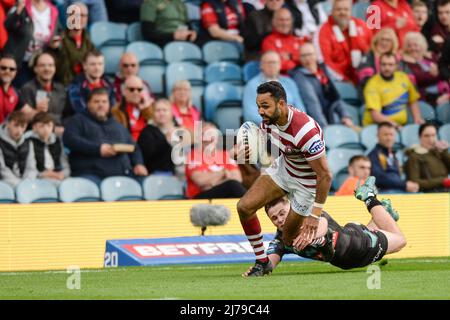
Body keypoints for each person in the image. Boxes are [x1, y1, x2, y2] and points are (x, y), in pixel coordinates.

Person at [236, 81, 332, 276]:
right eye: (258, 106)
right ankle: (262, 262)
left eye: (265, 106)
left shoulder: (306, 132)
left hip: (306, 186)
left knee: (288, 239)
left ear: (281, 104)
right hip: (285, 170)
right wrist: (244, 152)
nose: (260, 112)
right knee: (244, 207)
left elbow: (325, 175)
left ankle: (327, 238)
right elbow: (262, 148)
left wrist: (315, 215)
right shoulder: (269, 121)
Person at [246, 176, 406, 276]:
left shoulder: (309, 217)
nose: (279, 219)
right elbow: (269, 263)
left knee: (400, 241)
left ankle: (369, 197)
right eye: (274, 218)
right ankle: (384, 212)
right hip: (348, 254)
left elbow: (322, 225)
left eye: (282, 213)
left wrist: (309, 236)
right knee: (385, 232)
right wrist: (260, 269)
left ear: (292, 206)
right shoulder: (281, 241)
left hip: (360, 246)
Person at [63, 88, 148, 185]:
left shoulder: (117, 125)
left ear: (109, 105)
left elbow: (134, 148)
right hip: (90, 175)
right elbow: (70, 140)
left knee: (147, 184)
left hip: (123, 174)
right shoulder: (78, 121)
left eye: (104, 102)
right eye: (96, 101)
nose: (101, 105)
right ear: (88, 104)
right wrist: (98, 149)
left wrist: (138, 164)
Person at [289, 42, 354, 129]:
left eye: (310, 54)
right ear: (300, 58)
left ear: (316, 55)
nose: (307, 58)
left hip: (332, 118)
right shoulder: (299, 76)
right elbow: (312, 104)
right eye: (303, 56)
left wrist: (345, 115)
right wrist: (323, 129)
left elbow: (335, 95)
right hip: (316, 125)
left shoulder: (322, 71)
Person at [3, 0, 60, 87]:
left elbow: (57, 33)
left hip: (38, 64)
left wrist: (54, 43)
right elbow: (8, 25)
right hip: (19, 62)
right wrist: (18, 10)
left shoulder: (53, 10)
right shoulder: (22, 4)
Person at [316, 0, 372, 84]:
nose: (342, 12)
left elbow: (372, 52)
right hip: (339, 81)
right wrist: (345, 80)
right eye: (338, 9)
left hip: (363, 76)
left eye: (346, 9)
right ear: (332, 11)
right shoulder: (323, 31)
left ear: (351, 10)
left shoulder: (361, 25)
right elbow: (325, 64)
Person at [185, 122, 246, 199]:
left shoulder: (226, 155)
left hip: (222, 195)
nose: (207, 139)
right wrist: (223, 173)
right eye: (203, 135)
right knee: (232, 185)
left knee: (234, 186)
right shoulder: (193, 155)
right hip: (199, 198)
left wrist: (212, 182)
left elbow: (237, 179)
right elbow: (200, 181)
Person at [362, 53, 424, 127]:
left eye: (390, 64)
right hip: (377, 126)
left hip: (400, 125)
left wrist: (417, 119)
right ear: (379, 65)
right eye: (383, 64)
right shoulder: (372, 84)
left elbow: (413, 100)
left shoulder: (403, 77)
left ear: (396, 66)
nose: (387, 68)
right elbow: (376, 115)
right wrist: (395, 125)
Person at [243, 50, 304, 124]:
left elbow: (300, 108)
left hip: (291, 126)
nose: (272, 65)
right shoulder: (251, 86)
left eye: (274, 62)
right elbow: (250, 115)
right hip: (266, 129)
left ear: (280, 65)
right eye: (268, 62)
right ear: (261, 66)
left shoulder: (290, 83)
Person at [138, 99, 188, 177]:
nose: (161, 113)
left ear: (171, 113)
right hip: (158, 172)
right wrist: (166, 140)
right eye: (158, 111)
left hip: (182, 171)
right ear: (153, 114)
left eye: (165, 110)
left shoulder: (178, 129)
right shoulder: (147, 132)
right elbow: (148, 156)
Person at [18, 52, 66, 132]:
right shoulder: (27, 89)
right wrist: (37, 111)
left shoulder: (61, 89)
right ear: (35, 68)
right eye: (42, 65)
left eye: (50, 65)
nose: (47, 68)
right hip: (37, 134)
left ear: (55, 68)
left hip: (61, 132)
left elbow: (67, 115)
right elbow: (25, 119)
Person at [50, 2, 95, 86]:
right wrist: (53, 49)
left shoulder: (89, 42)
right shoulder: (58, 42)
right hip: (64, 87)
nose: (80, 19)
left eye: (83, 16)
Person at [63, 50, 115, 121]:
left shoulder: (109, 84)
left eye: (100, 64)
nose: (97, 68)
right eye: (93, 64)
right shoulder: (76, 86)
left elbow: (113, 108)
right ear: (84, 66)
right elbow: (80, 110)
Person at [368, 121, 420, 193]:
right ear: (378, 136)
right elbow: (378, 179)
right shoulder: (374, 155)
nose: (389, 138)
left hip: (397, 189)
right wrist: (404, 185)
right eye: (385, 135)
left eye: (391, 135)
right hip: (385, 192)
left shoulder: (393, 154)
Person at [401, 32, 449, 107]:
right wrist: (434, 74)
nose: (413, 48)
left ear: (422, 46)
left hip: (444, 93)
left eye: (415, 45)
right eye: (409, 46)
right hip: (424, 98)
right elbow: (418, 79)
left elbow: (444, 70)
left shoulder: (431, 57)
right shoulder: (405, 62)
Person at [405, 122, 450, 192]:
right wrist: (442, 181)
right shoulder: (414, 156)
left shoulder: (440, 153)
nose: (431, 139)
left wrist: (445, 152)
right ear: (420, 137)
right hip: (429, 194)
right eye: (426, 136)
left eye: (433, 135)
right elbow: (414, 182)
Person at [27, 111, 70, 185]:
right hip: (39, 178)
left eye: (49, 125)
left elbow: (65, 166)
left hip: (58, 175)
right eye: (42, 126)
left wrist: (61, 174)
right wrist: (44, 174)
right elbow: (30, 169)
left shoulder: (57, 141)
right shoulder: (29, 142)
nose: (46, 129)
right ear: (34, 127)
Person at [261, 8, 305, 74]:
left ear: (291, 21)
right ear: (273, 21)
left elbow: (307, 58)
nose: (285, 23)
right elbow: (276, 65)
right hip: (283, 78)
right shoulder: (268, 41)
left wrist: (291, 56)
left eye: (287, 20)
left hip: (302, 73)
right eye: (281, 20)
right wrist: (298, 62)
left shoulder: (298, 39)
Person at [0, 110, 38, 187]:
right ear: (8, 124)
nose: (19, 130)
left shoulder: (28, 143)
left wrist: (26, 183)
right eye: (16, 125)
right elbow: (2, 169)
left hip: (24, 185)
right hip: (4, 184)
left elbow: (31, 168)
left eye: (22, 126)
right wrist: (19, 184)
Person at [111, 75, 154, 142]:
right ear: (124, 91)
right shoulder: (116, 111)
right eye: (131, 89)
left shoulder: (149, 108)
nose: (136, 92)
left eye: (139, 89)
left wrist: (146, 109)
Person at [0, 55, 25, 124]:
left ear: (15, 72)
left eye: (12, 69)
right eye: (3, 68)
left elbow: (28, 112)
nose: (7, 71)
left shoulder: (16, 92)